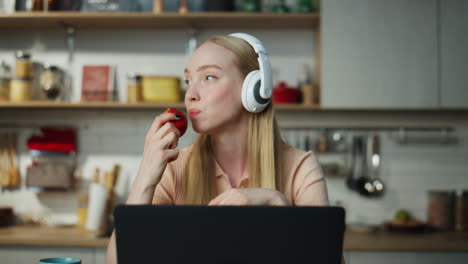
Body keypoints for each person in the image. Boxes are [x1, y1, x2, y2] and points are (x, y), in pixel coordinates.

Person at [106, 33, 329, 264]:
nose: (190, 95)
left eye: (209, 77)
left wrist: (276, 202)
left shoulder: (300, 167)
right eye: (188, 81)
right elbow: (117, 262)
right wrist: (146, 175)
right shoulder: (174, 167)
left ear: (255, 89)